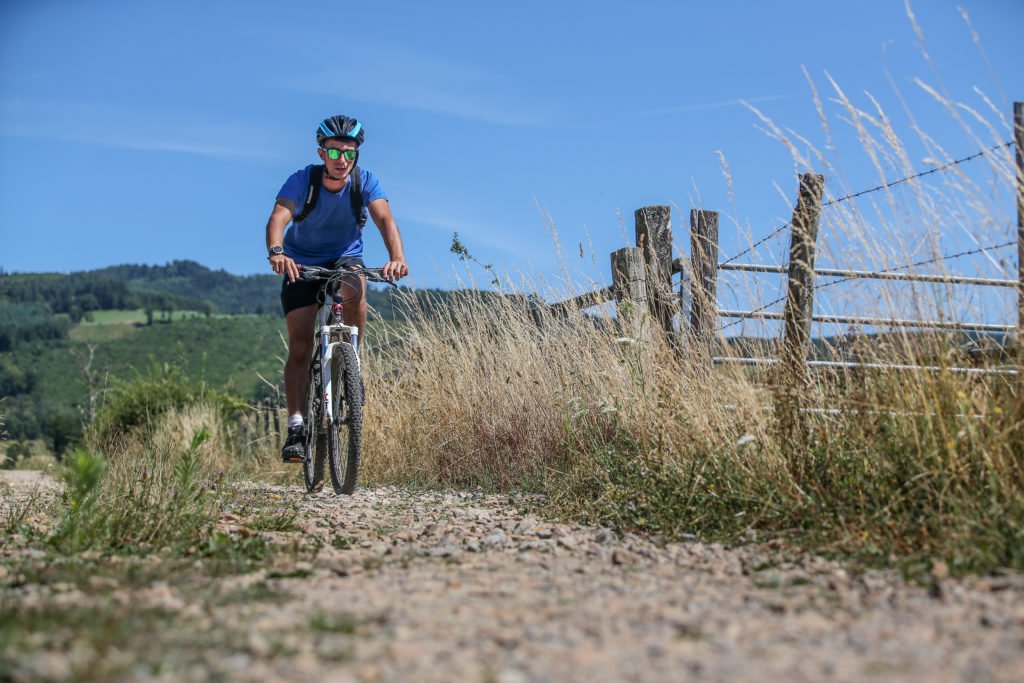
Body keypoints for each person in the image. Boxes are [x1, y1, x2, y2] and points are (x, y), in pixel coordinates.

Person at [265, 115, 408, 462]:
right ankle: (297, 426)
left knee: (355, 282)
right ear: (321, 152)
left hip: (345, 259)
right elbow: (278, 217)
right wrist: (277, 251)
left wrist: (397, 257)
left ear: (356, 155)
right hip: (301, 264)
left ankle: (351, 367)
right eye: (333, 152)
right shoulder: (303, 181)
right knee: (300, 348)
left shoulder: (365, 182)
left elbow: (385, 219)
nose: (341, 160)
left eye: (348, 153)